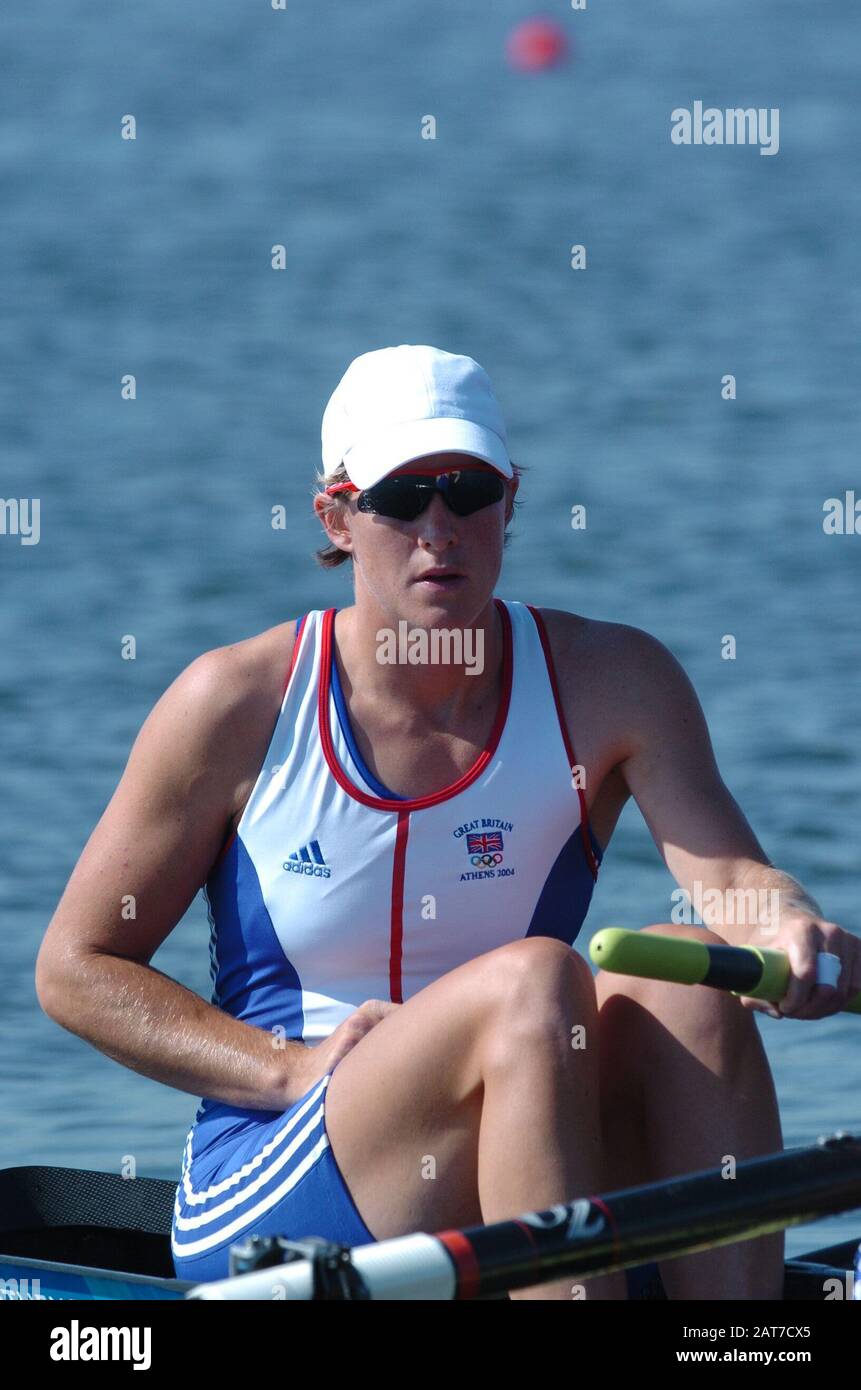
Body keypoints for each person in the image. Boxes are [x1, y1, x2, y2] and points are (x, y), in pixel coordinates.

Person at [36, 345, 860, 1301]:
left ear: (510, 502)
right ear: (337, 517)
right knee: (534, 982)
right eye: (400, 497)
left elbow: (731, 883)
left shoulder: (615, 681)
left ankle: (738, 1339)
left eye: (468, 491)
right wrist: (281, 1070)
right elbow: (74, 968)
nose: (440, 529)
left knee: (680, 976)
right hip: (282, 1171)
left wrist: (787, 923)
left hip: (530, 1131)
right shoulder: (235, 703)